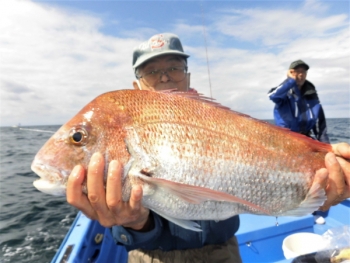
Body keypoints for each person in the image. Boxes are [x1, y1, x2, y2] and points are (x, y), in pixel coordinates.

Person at [67, 34, 350, 262]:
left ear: (188, 77)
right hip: (151, 256)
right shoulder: (120, 132)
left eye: (174, 68)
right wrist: (133, 222)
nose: (164, 77)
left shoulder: (218, 122)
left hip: (223, 251)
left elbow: (265, 172)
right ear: (135, 85)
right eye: (151, 71)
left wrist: (317, 182)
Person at [268, 60, 330, 143]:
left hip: (306, 140)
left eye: (303, 71)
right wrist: (290, 80)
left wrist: (326, 146)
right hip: (285, 140)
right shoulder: (284, 94)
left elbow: (320, 129)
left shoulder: (312, 95)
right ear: (290, 73)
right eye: (297, 71)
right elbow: (272, 95)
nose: (301, 74)